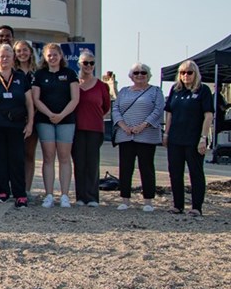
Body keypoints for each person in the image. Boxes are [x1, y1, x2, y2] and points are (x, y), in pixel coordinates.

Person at [0, 43, 34, 208]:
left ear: (13, 59)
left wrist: (30, 123)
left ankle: (20, 194)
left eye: (8, 56)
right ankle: (3, 191)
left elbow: (29, 103)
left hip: (16, 125)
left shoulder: (21, 78)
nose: (5, 59)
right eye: (2, 56)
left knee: (17, 159)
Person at [111, 62, 165, 211]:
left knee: (146, 167)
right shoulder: (123, 91)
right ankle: (125, 199)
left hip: (147, 136)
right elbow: (115, 109)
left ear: (148, 75)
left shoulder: (155, 91)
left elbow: (158, 110)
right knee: (125, 168)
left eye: (143, 72)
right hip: (125, 135)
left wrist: (143, 125)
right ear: (131, 76)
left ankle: (148, 201)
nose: (140, 75)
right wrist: (123, 126)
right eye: (136, 73)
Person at [32, 42, 80, 208]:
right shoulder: (39, 74)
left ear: (61, 56)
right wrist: (50, 114)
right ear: (45, 57)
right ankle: (49, 195)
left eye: (55, 54)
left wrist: (61, 115)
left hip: (66, 120)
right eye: (49, 55)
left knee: (65, 158)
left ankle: (65, 195)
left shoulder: (70, 73)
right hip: (45, 120)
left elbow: (75, 99)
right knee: (48, 157)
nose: (52, 58)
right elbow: (36, 99)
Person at [164, 60, 214, 216]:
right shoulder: (175, 90)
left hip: (194, 139)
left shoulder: (203, 90)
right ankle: (178, 205)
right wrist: (166, 133)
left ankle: (196, 207)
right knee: (175, 172)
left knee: (196, 172)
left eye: (189, 72)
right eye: (182, 72)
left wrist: (203, 138)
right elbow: (169, 113)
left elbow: (208, 115)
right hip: (175, 138)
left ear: (195, 74)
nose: (186, 75)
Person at [72, 50, 111, 207]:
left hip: (95, 128)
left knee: (92, 163)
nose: (88, 66)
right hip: (76, 128)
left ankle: (92, 196)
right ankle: (81, 196)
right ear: (79, 64)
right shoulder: (74, 84)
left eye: (91, 63)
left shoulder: (101, 86)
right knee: (79, 162)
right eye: (85, 63)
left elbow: (106, 106)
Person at [13, 40, 40, 192]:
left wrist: (31, 117)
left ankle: (26, 190)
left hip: (34, 119)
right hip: (14, 119)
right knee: (15, 155)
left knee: (29, 154)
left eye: (25, 50)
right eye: (19, 51)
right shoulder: (11, 73)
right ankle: (14, 188)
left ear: (30, 52)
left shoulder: (38, 73)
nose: (22, 53)